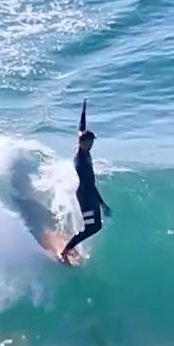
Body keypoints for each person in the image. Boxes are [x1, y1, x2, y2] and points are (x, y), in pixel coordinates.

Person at [60, 99, 111, 264]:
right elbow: (90, 184)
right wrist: (102, 204)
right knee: (92, 227)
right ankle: (64, 251)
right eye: (89, 142)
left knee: (95, 226)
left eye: (92, 142)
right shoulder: (82, 161)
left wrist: (83, 111)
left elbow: (81, 128)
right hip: (85, 195)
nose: (91, 145)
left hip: (88, 193)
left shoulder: (82, 146)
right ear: (82, 143)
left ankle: (70, 246)